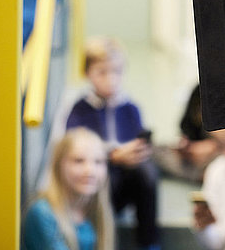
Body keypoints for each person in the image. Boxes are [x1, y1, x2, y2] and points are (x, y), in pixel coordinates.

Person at [66, 37, 160, 250]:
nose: (111, 78)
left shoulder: (130, 108)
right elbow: (73, 148)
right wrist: (112, 155)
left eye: (117, 72)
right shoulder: (80, 109)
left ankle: (149, 243)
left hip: (127, 182)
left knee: (147, 173)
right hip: (96, 186)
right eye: (102, 72)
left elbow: (137, 142)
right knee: (104, 174)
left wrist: (138, 152)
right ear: (88, 73)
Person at [23, 128, 114, 250]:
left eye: (98, 162)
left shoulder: (96, 210)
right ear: (59, 165)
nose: (90, 171)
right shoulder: (42, 212)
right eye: (78, 161)